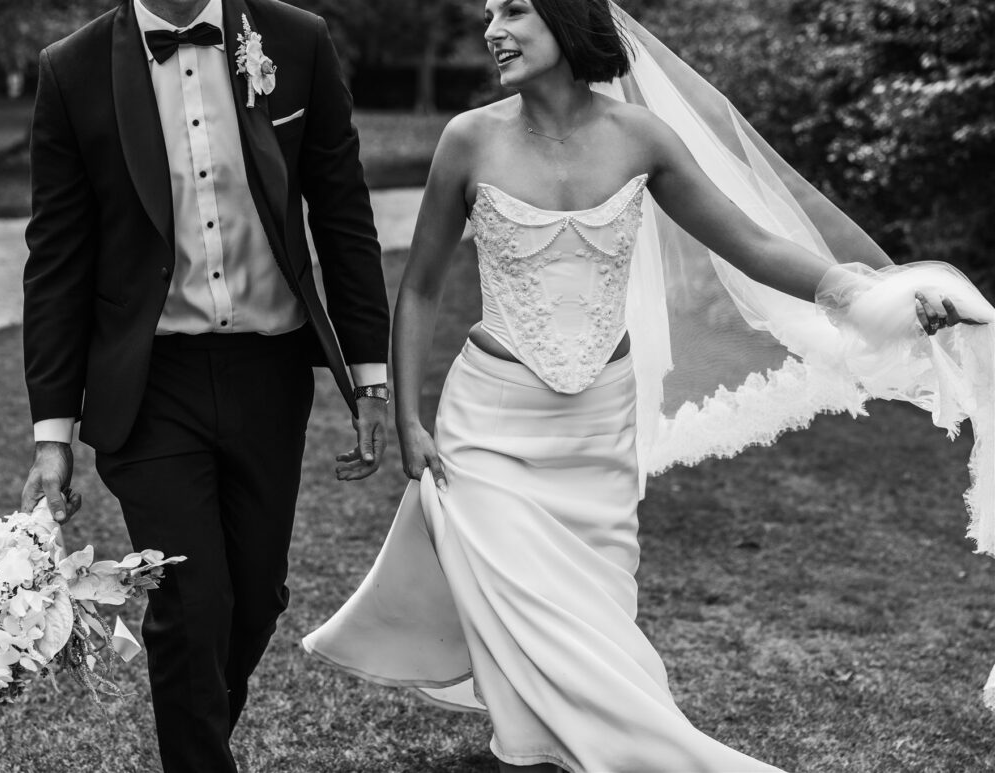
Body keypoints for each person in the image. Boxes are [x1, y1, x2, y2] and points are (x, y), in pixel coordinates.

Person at [303, 0, 993, 771]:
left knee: (592, 620)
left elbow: (752, 242)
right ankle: (555, 747)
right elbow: (423, 287)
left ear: (566, 18)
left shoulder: (642, 138)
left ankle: (562, 747)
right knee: (518, 599)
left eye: (515, 10)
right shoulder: (468, 139)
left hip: (600, 428)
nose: (492, 30)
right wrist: (409, 417)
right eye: (489, 13)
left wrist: (870, 296)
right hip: (489, 420)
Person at [17, 0, 392, 770]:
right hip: (150, 381)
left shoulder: (296, 41)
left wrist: (370, 378)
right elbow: (56, 257)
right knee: (193, 602)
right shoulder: (72, 69)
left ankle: (199, 745)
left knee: (254, 597)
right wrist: (52, 436)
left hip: (269, 370)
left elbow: (342, 209)